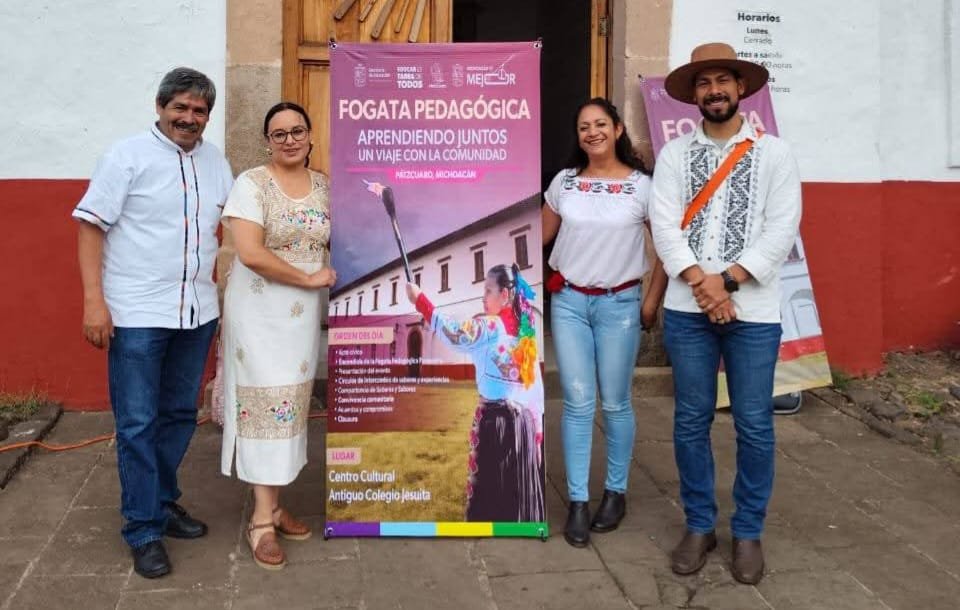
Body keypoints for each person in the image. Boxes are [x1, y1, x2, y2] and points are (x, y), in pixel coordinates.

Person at [650, 42, 802, 584]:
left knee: (754, 423)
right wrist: (702, 284)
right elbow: (664, 224)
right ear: (693, 95)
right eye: (704, 83)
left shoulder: (774, 154)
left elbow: (781, 229)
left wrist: (728, 282)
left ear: (740, 88)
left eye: (722, 81)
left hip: (754, 313)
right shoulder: (674, 156)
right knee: (690, 420)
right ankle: (699, 525)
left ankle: (748, 531)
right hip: (687, 309)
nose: (714, 91)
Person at [73, 67, 233, 579]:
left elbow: (231, 225)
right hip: (137, 313)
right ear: (161, 106)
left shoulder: (215, 160)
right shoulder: (126, 156)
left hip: (197, 312)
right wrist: (94, 303)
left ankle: (161, 502)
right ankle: (142, 528)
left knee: (179, 415)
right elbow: (91, 227)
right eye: (180, 107)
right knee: (138, 422)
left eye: (199, 110)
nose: (189, 117)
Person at [542, 98, 666, 547]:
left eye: (600, 124)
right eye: (583, 127)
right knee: (577, 403)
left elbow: (667, 250)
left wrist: (650, 302)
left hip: (620, 307)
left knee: (615, 403)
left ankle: (616, 492)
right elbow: (536, 236)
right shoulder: (564, 183)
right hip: (570, 304)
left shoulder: (642, 187)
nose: (592, 132)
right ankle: (577, 501)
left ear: (617, 130)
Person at [219, 102, 335, 570]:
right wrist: (307, 278)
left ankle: (275, 504)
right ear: (267, 141)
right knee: (264, 404)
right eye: (279, 133)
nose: (289, 140)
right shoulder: (251, 184)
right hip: (259, 312)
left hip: (300, 317)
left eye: (297, 131)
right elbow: (250, 253)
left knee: (290, 406)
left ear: (309, 136)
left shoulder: (324, 186)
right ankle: (261, 521)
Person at [405, 264, 545, 523]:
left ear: (504, 295)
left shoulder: (491, 327)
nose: (483, 297)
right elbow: (535, 388)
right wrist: (537, 434)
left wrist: (420, 300)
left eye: (488, 290)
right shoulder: (526, 333)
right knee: (517, 493)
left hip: (496, 424)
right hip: (523, 425)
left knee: (491, 492)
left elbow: (455, 333)